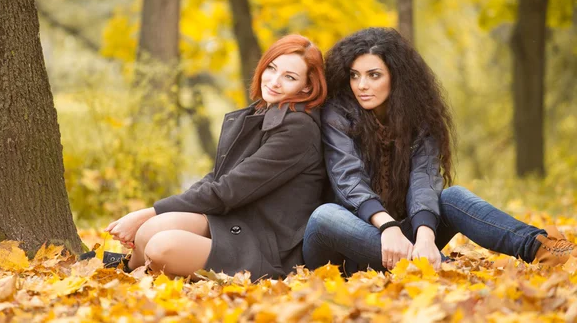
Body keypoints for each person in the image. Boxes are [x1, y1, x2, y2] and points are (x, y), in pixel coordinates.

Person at [303, 27, 577, 274]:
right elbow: (347, 180)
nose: (361, 85)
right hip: (344, 247)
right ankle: (443, 268)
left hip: (400, 244)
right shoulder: (336, 115)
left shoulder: (419, 118)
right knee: (325, 215)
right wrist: (387, 227)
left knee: (452, 196)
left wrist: (424, 235)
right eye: (355, 75)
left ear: (396, 78)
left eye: (374, 75)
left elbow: (424, 179)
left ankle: (543, 249)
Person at [104, 34, 328, 280]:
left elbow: (230, 189)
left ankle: (129, 272)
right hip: (236, 224)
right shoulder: (262, 112)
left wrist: (147, 212)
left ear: (307, 86)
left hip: (267, 247)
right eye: (272, 68)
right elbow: (217, 177)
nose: (274, 81)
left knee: (161, 246)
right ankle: (123, 270)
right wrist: (153, 216)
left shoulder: (299, 128)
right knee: (149, 231)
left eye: (290, 77)